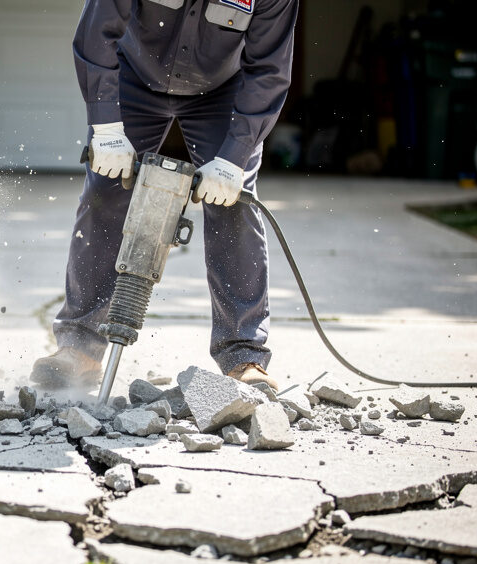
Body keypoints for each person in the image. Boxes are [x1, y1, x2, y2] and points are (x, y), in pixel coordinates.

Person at [31, 0, 298, 392]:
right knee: (106, 192)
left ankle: (243, 356)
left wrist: (234, 159)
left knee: (233, 204)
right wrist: (105, 127)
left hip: (221, 92)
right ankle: (80, 348)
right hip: (134, 79)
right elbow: (96, 32)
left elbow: (270, 69)